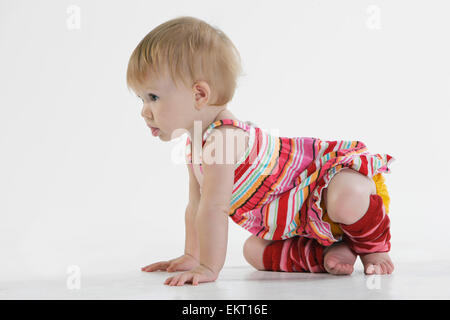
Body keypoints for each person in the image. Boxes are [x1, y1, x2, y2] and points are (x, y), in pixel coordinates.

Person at [126, 16, 395, 286]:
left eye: (153, 97)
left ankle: (374, 247)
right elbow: (195, 206)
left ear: (199, 95)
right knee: (253, 252)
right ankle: (329, 251)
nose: (144, 111)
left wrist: (208, 267)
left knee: (348, 194)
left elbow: (214, 208)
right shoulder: (195, 145)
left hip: (318, 192)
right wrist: (191, 255)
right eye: (141, 98)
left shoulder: (223, 139)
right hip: (298, 222)